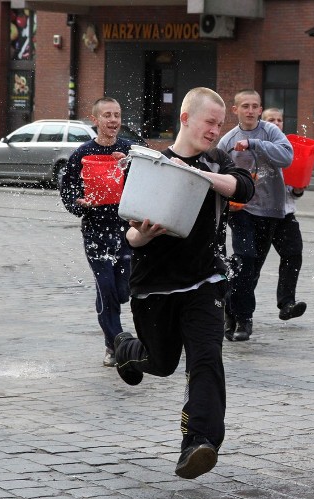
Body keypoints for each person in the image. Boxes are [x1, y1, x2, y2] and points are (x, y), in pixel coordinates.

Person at [112, 87, 255, 478]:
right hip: (153, 286)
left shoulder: (218, 161)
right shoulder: (151, 164)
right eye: (209, 122)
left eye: (219, 124)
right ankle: (126, 349)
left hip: (204, 282)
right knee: (160, 363)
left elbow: (244, 187)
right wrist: (145, 234)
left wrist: (201, 176)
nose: (214, 131)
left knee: (206, 360)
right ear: (186, 119)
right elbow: (130, 236)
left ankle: (199, 443)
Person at [217, 91, 303, 343]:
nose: (251, 110)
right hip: (241, 211)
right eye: (245, 106)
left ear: (260, 109)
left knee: (253, 268)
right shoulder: (228, 140)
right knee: (244, 259)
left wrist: (255, 144)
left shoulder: (270, 132)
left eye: (255, 106)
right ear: (236, 110)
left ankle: (231, 311)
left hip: (272, 210)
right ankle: (244, 318)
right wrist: (225, 202)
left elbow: (286, 157)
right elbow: (217, 173)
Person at [60, 97, 133, 367]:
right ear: (95, 120)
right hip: (95, 231)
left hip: (127, 230)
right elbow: (68, 188)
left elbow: (151, 178)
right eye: (107, 115)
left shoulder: (130, 150)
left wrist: (130, 163)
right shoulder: (82, 153)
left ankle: (115, 339)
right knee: (106, 288)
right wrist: (78, 202)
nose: (113, 120)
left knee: (122, 290)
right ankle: (116, 343)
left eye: (117, 114)